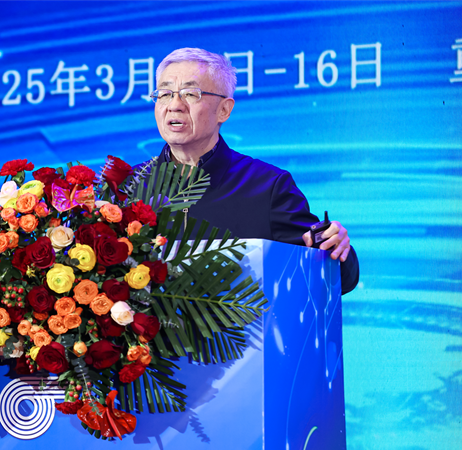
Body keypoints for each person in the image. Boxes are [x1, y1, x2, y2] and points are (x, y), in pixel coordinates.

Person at [149, 47, 359, 294]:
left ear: (224, 110)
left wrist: (335, 245)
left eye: (190, 94)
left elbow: (334, 276)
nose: (174, 105)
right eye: (164, 94)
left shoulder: (268, 187)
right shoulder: (128, 187)